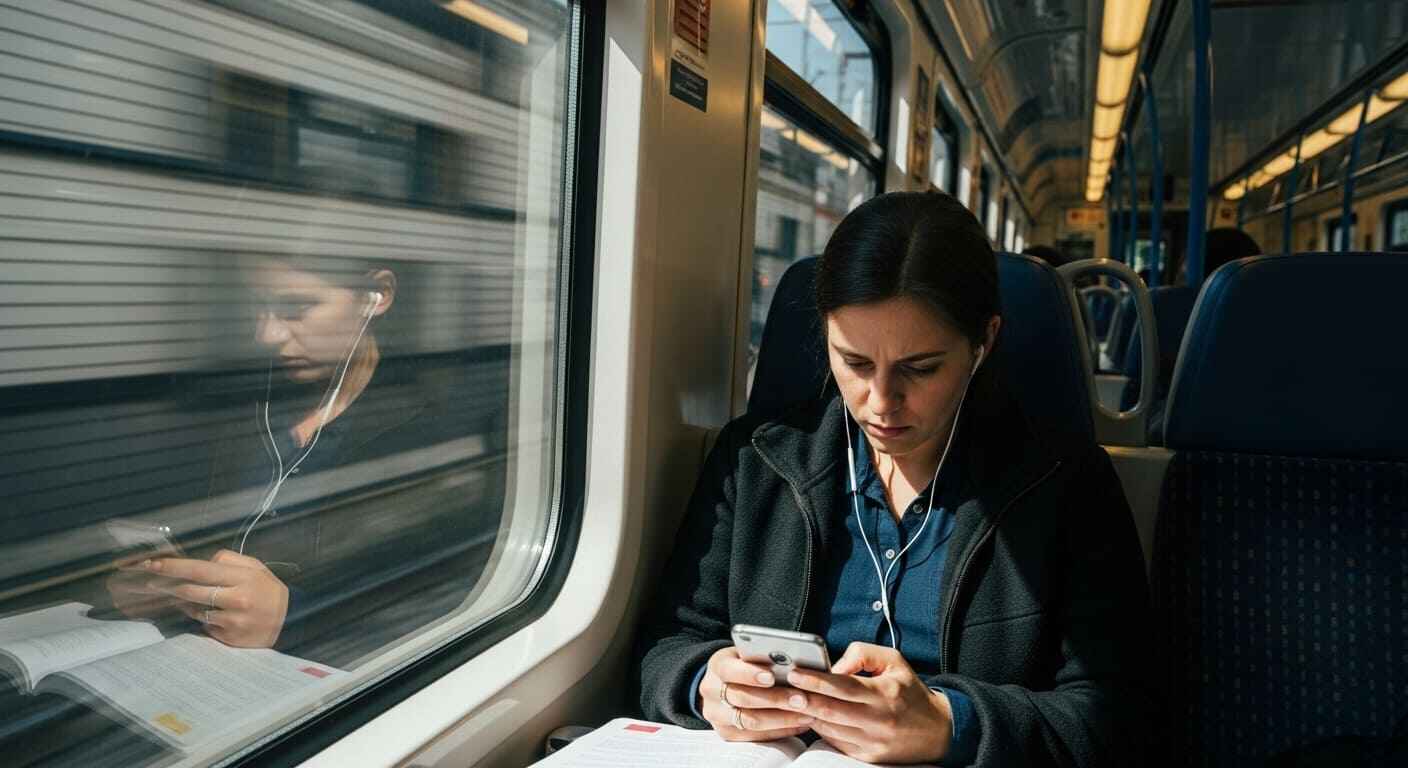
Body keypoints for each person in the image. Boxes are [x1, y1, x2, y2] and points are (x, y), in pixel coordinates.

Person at [637, 191, 1154, 765]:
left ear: (982, 343)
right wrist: (705, 683)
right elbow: (666, 645)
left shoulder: (1066, 483)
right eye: (855, 363)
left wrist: (949, 725)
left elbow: (1119, 717)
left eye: (920, 368)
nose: (881, 402)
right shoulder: (754, 460)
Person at [107, 257, 506, 663]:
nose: (267, 333)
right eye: (258, 308)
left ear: (376, 296)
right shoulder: (238, 406)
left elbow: (442, 598)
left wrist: (295, 616)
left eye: (296, 307)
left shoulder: (432, 431)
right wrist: (170, 583)